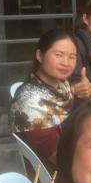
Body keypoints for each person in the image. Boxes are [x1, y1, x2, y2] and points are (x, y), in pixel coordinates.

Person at [10, 28, 78, 167]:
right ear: (40, 55)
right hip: (54, 178)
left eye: (72, 57)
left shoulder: (62, 86)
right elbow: (61, 159)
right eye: (59, 55)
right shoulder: (30, 102)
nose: (66, 62)